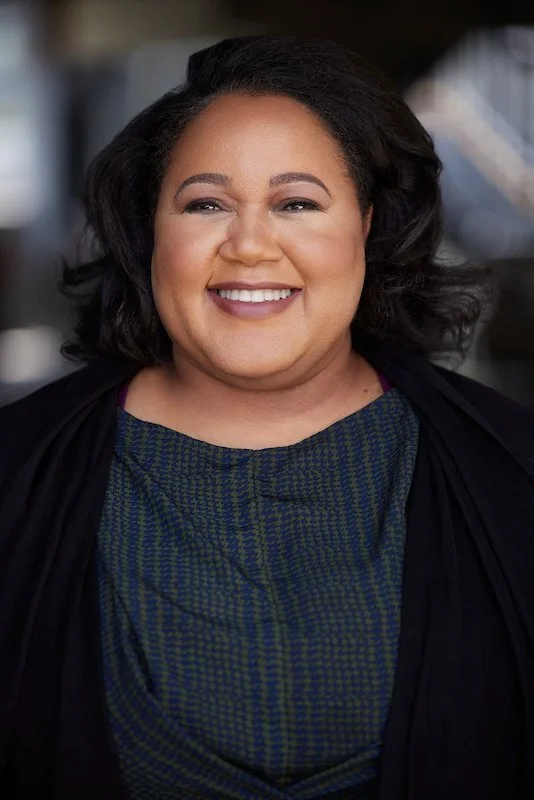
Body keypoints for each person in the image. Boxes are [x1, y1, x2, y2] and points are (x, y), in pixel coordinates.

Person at [1, 35, 533, 800]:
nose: (250, 246)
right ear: (153, 231)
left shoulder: (515, 478)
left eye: (296, 203)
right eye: (207, 203)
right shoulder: (14, 475)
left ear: (367, 226)